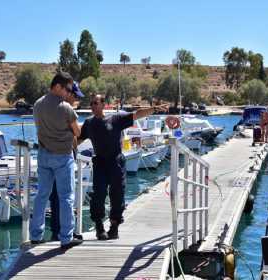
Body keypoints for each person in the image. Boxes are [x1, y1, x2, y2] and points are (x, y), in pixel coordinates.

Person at [77, 94, 167, 240]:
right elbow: (78, 140)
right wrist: (62, 147)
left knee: (117, 195)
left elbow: (137, 114)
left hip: (116, 162)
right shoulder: (89, 123)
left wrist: (154, 109)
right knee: (98, 195)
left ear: (103, 105)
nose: (93, 106)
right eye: (91, 103)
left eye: (95, 103)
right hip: (99, 162)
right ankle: (99, 227)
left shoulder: (116, 119)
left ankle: (114, 227)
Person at [30, 72, 82, 250]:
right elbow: (77, 132)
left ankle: (36, 235)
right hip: (63, 156)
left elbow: (38, 130)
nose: (69, 92)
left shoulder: (37, 105)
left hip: (44, 154)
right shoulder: (66, 108)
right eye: (67, 89)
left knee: (42, 195)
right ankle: (66, 238)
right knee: (66, 197)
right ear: (57, 86)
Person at [49, 81, 84, 241]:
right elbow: (75, 132)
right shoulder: (63, 110)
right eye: (75, 96)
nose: (76, 100)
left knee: (62, 196)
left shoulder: (60, 109)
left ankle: (62, 231)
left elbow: (75, 136)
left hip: (65, 156)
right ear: (68, 93)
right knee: (61, 196)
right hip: (60, 157)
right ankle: (61, 233)